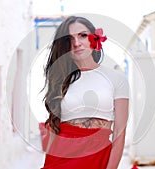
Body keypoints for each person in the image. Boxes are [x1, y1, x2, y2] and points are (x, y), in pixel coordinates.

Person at [40, 16, 129, 169]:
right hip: (62, 156)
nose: (77, 43)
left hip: (98, 157)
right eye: (69, 39)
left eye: (83, 35)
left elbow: (119, 135)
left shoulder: (116, 79)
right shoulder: (61, 80)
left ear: (94, 38)